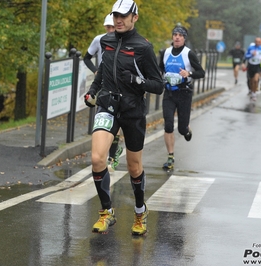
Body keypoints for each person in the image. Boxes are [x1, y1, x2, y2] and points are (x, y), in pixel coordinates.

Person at [84, 0, 163, 235]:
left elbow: (158, 85)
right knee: (98, 159)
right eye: (115, 15)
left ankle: (140, 212)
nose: (118, 20)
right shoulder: (105, 42)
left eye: (124, 16)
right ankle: (107, 212)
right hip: (108, 105)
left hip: (132, 110)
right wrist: (93, 90)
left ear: (134, 18)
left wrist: (136, 81)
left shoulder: (143, 47)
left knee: (133, 166)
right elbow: (102, 72)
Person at [159, 25, 205, 170]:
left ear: (184, 38)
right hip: (169, 93)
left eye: (180, 35)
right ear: (172, 37)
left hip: (184, 94)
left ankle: (186, 129)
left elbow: (201, 73)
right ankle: (170, 157)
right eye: (175, 34)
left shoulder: (189, 54)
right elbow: (159, 69)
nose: (177, 37)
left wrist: (189, 74)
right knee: (168, 125)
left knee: (181, 129)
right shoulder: (165, 52)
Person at [83, 14, 123, 172]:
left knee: (116, 122)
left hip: (118, 86)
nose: (110, 30)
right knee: (105, 119)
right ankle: (106, 155)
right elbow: (86, 58)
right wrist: (96, 70)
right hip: (102, 82)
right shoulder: (99, 40)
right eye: (108, 27)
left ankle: (112, 157)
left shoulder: (123, 41)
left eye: (112, 27)